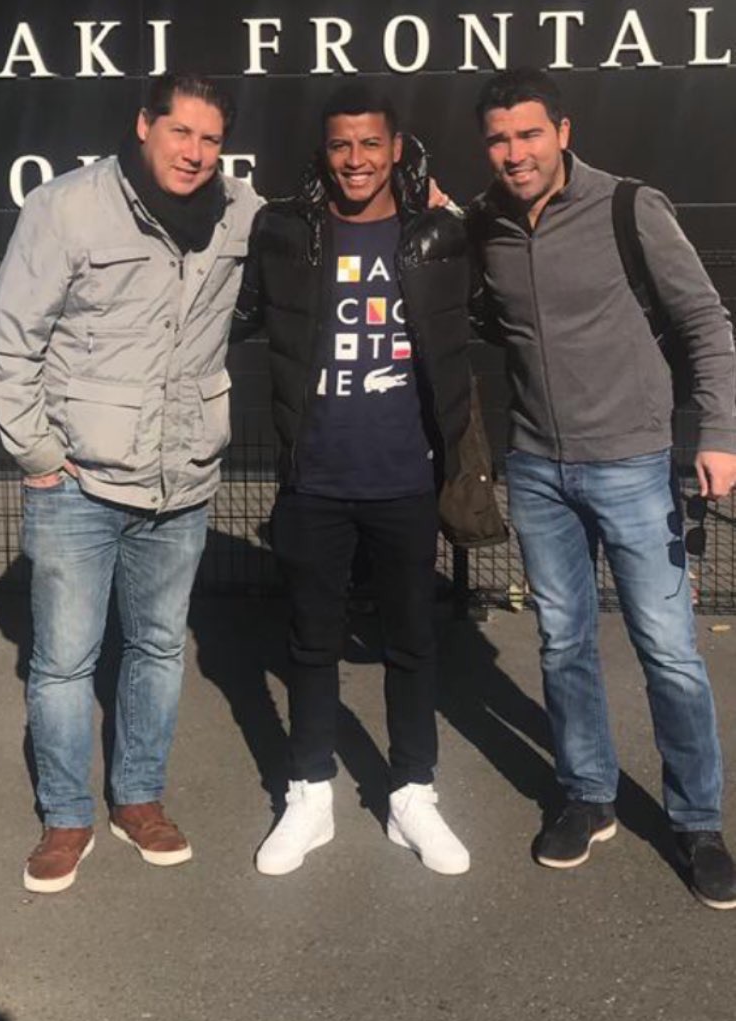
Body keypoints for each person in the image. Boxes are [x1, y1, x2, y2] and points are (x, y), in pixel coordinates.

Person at [0, 74, 262, 893]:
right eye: (181, 132)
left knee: (157, 648)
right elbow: (10, 337)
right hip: (78, 483)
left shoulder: (240, 212)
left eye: (210, 140)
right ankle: (67, 815)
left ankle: (138, 798)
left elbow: (325, 233)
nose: (194, 153)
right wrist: (37, 453)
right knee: (64, 662)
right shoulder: (67, 208)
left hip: (182, 480)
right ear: (145, 125)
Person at [468, 66, 736, 909]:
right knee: (562, 643)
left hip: (633, 464)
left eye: (529, 134)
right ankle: (588, 795)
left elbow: (705, 321)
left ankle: (698, 823)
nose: (515, 153)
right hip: (536, 468)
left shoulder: (629, 207)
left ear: (563, 132)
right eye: (499, 139)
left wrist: (720, 433)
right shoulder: (484, 224)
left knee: (669, 651)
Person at [233, 82, 502, 877]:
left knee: (412, 643)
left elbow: (495, 309)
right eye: (341, 145)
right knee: (311, 643)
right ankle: (309, 793)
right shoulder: (285, 232)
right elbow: (229, 314)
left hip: (407, 479)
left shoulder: (438, 235)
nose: (356, 160)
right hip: (314, 478)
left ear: (397, 149)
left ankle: (412, 793)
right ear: (325, 153)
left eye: (370, 144)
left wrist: (464, 215)